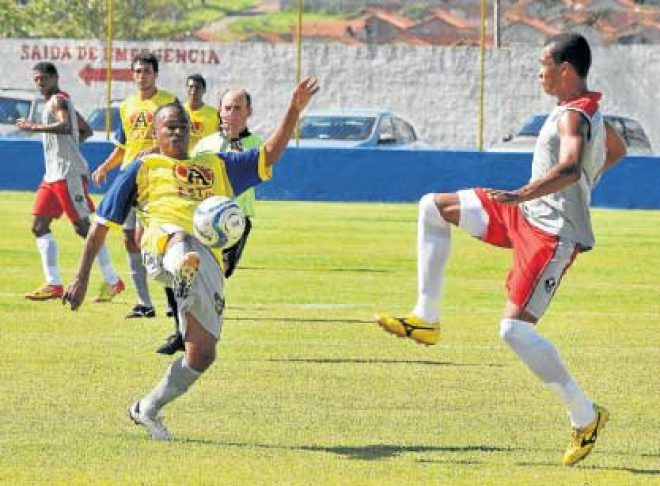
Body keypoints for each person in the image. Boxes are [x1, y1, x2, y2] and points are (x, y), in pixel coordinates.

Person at [375, 33, 627, 467]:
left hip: (552, 235)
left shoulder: (575, 116)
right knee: (433, 207)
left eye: (544, 64)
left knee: (514, 332)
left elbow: (568, 167)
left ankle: (585, 416)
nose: (539, 73)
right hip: (526, 215)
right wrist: (586, 178)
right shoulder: (586, 112)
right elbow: (616, 150)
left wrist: (535, 191)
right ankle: (426, 319)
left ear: (565, 69)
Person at [62, 76, 320, 441]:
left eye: (183, 126)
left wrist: (294, 110)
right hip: (163, 247)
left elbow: (269, 157)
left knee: (202, 355)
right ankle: (180, 266)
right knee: (180, 236)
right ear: (156, 132)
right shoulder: (144, 168)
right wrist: (82, 278)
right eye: (170, 126)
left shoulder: (215, 165)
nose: (178, 131)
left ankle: (147, 408)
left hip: (205, 261)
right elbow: (101, 225)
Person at [156, 86, 263, 356]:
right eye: (227, 108)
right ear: (219, 110)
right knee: (182, 268)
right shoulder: (205, 145)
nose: (231, 113)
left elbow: (246, 165)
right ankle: (181, 331)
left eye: (238, 108)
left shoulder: (255, 144)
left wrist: (234, 139)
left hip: (235, 224)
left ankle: (201, 327)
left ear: (248, 112)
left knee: (215, 274)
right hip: (201, 221)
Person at [16, 61, 124, 302]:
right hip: (53, 174)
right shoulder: (56, 102)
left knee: (84, 228)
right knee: (38, 226)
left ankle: (113, 281)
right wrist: (71, 145)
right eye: (36, 79)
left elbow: (66, 126)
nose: (40, 83)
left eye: (43, 78)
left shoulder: (58, 100)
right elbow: (83, 129)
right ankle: (53, 284)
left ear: (55, 78)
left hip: (68, 174)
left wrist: (34, 126)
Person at [92, 52, 177, 319]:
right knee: (130, 239)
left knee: (158, 239)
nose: (142, 76)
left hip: (157, 178)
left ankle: (174, 299)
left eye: (147, 71)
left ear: (156, 74)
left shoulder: (168, 102)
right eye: (137, 71)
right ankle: (144, 304)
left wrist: (153, 149)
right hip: (129, 178)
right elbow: (123, 145)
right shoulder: (127, 105)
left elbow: (178, 136)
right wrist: (106, 167)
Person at [183, 73, 218, 150]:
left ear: (204, 90)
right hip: (183, 158)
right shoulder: (179, 111)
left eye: (197, 87)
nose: (194, 90)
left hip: (206, 158)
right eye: (191, 87)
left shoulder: (215, 114)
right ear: (186, 88)